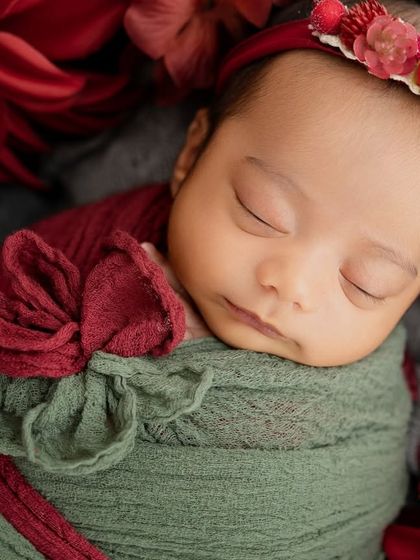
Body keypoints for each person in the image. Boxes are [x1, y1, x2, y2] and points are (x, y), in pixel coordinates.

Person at [0, 0, 419, 558]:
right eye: (261, 212)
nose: (290, 284)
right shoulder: (73, 251)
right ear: (191, 151)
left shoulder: (369, 420)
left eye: (366, 283)